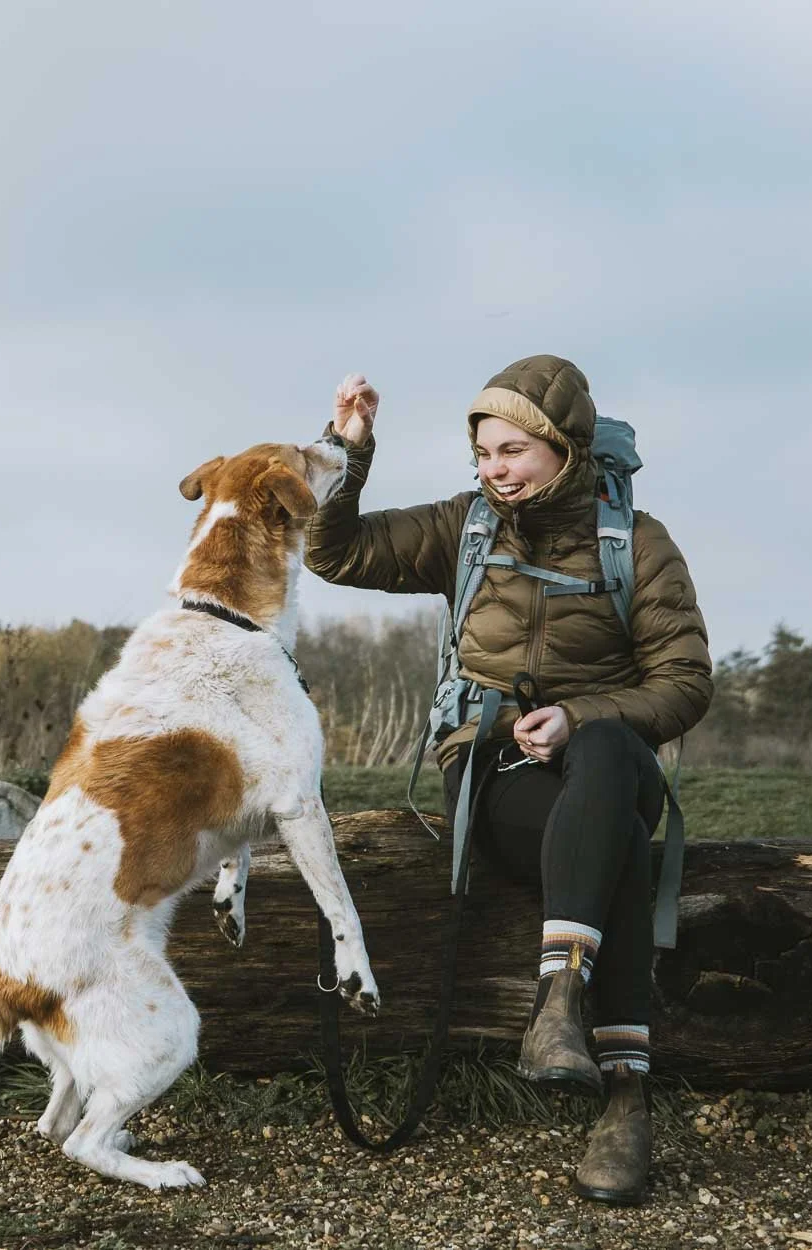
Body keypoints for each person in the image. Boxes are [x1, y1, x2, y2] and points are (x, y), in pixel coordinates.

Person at [304, 355, 712, 1205]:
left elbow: (684, 683)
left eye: (512, 452)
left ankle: (558, 1000)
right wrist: (348, 448)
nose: (494, 470)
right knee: (624, 852)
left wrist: (580, 715)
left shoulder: (635, 543)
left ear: (564, 448)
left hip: (607, 762)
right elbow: (333, 554)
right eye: (483, 454)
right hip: (495, 771)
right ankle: (626, 1100)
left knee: (600, 749)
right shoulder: (466, 527)